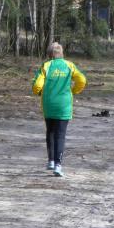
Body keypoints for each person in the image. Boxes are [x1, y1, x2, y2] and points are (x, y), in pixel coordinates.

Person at [32, 43, 87, 177]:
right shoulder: (69, 65)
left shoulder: (46, 66)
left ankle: (51, 161)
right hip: (64, 105)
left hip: (49, 104)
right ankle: (58, 165)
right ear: (61, 53)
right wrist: (73, 91)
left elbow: (37, 85)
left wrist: (39, 92)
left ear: (49, 55)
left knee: (50, 131)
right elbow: (82, 80)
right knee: (60, 135)